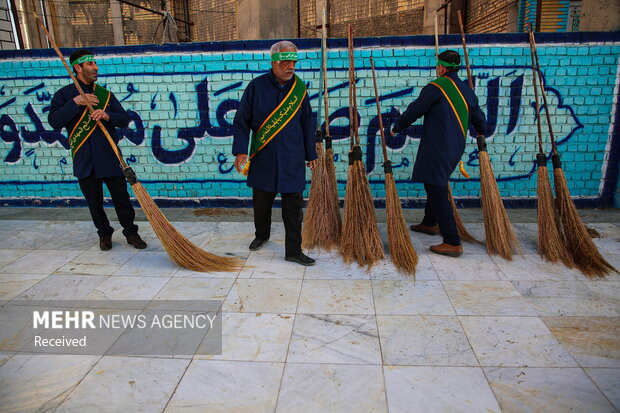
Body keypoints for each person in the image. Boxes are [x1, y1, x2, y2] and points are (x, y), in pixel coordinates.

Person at [48, 49, 146, 251]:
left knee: (122, 198)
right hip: (84, 159)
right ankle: (104, 233)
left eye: (94, 63)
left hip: (109, 156)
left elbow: (125, 119)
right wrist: (76, 103)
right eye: (91, 64)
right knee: (94, 201)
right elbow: (54, 121)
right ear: (78, 67)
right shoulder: (64, 95)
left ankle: (131, 232)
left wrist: (107, 115)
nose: (96, 67)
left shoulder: (105, 96)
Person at [391, 50, 486, 257]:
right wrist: (482, 131)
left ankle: (452, 241)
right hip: (455, 146)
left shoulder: (436, 87)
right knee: (433, 181)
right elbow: (479, 118)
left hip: (438, 146)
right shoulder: (466, 90)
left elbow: (416, 109)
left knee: (437, 187)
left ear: (441, 67)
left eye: (437, 66)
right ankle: (429, 222)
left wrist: (397, 127)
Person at [233, 40, 318, 266]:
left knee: (293, 209)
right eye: (285, 62)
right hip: (264, 157)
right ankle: (262, 235)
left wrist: (311, 154)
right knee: (261, 204)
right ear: (273, 63)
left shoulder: (300, 89)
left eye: (293, 62)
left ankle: (293, 250)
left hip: (293, 158)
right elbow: (241, 120)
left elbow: (308, 123)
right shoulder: (256, 87)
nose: (290, 67)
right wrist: (240, 151)